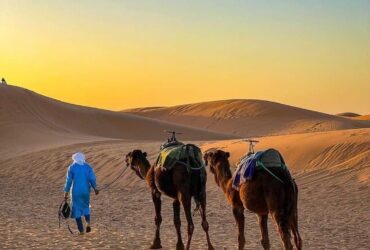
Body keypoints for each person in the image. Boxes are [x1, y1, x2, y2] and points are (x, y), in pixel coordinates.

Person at [63, 152, 99, 235]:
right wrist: (95, 188)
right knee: (86, 208)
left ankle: (81, 231)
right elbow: (92, 179)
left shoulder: (71, 167)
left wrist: (66, 193)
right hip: (85, 191)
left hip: (75, 192)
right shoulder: (88, 167)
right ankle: (88, 223)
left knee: (76, 211)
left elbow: (68, 181)